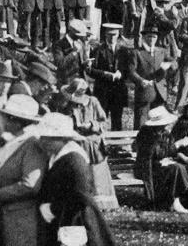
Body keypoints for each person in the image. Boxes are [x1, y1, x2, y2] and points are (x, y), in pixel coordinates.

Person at [35, 113, 117, 246]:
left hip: (76, 220)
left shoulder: (74, 160)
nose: (43, 143)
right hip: (63, 219)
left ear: (63, 138)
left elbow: (82, 195)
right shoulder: (58, 156)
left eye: (48, 139)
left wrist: (53, 209)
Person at [0, 94, 46, 246]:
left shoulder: (31, 144)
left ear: (16, 121)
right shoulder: (15, 141)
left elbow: (30, 185)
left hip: (21, 217)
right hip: (7, 214)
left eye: (6, 117)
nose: (2, 120)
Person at [60, 78, 118, 210]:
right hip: (78, 143)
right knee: (81, 172)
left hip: (94, 145)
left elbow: (104, 122)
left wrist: (92, 125)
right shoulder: (68, 106)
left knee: (97, 174)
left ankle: (103, 204)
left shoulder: (93, 102)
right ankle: (83, 202)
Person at [133, 105, 188, 212]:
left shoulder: (164, 132)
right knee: (176, 168)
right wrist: (161, 161)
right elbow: (147, 156)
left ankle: (175, 200)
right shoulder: (146, 134)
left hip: (159, 165)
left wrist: (176, 147)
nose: (167, 125)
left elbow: (170, 151)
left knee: (178, 167)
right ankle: (174, 201)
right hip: (146, 168)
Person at [129, 25, 177, 128]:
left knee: (159, 123)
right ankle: (140, 142)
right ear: (144, 37)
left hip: (160, 92)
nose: (151, 39)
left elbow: (173, 62)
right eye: (149, 36)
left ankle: (157, 142)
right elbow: (131, 72)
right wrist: (141, 81)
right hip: (144, 91)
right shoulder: (137, 52)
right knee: (141, 122)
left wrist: (169, 66)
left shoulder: (162, 51)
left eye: (154, 37)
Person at [87, 23, 126, 130]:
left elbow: (128, 68)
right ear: (105, 35)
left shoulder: (124, 50)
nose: (112, 37)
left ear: (118, 35)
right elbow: (91, 71)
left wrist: (120, 73)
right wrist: (104, 74)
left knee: (117, 119)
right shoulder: (98, 50)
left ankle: (117, 143)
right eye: (109, 35)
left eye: (114, 35)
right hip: (102, 90)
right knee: (99, 118)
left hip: (118, 90)